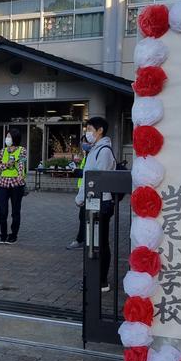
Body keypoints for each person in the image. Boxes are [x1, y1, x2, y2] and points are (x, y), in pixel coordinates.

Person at [73, 117, 116, 291]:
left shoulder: (103, 151)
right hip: (92, 202)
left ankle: (102, 281)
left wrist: (81, 198)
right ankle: (94, 278)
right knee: (94, 241)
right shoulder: (95, 149)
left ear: (100, 131)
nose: (87, 133)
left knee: (101, 242)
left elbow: (96, 180)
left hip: (101, 202)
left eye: (90, 129)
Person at [0, 128, 27, 245]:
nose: (7, 139)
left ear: (14, 138)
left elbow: (22, 164)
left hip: (16, 184)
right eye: (7, 136)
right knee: (3, 211)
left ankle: (13, 235)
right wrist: (7, 165)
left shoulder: (22, 150)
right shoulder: (2, 151)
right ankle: (3, 235)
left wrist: (20, 175)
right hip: (3, 184)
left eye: (9, 136)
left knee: (15, 211)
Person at [67, 135, 92, 250]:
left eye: (84, 142)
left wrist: (78, 172)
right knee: (83, 217)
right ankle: (83, 239)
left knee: (85, 217)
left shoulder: (93, 155)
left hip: (89, 191)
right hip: (84, 189)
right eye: (82, 143)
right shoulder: (87, 155)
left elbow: (90, 173)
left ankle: (81, 240)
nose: (83, 145)